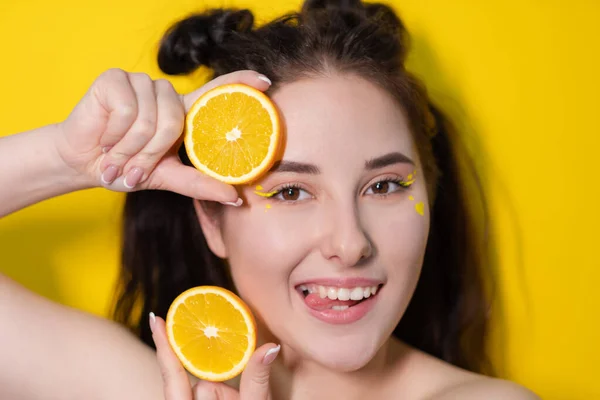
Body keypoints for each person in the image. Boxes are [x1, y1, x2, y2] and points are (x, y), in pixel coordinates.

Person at [0, 0, 539, 398]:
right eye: (290, 191)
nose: (349, 244)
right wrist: (68, 159)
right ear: (211, 221)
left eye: (383, 186)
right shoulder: (161, 390)